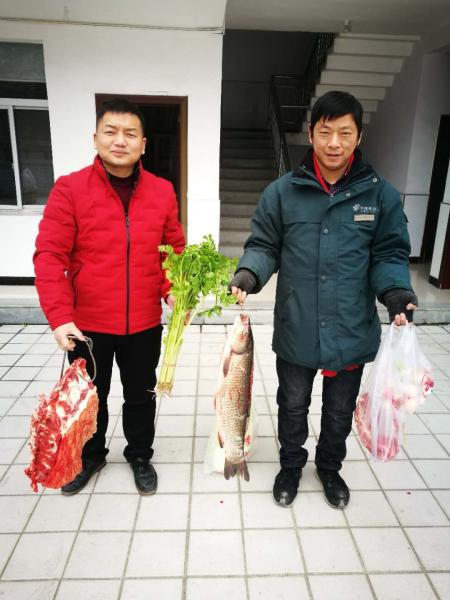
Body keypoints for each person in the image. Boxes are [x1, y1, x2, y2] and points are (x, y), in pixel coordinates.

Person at [230, 91, 417, 509]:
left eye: (345, 133)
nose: (334, 143)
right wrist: (249, 273)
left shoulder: (380, 196)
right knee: (292, 404)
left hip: (351, 327)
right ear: (311, 133)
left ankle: (329, 468)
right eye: (326, 132)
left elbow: (389, 253)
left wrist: (396, 292)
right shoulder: (282, 193)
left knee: (338, 410)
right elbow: (264, 245)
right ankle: (291, 466)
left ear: (358, 136)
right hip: (297, 325)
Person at [34, 98, 185, 496]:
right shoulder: (70, 189)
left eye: (130, 134)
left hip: (144, 323)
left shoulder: (162, 191)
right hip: (87, 326)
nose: (120, 141)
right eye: (111, 132)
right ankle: (90, 456)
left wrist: (174, 292)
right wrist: (59, 317)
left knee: (140, 396)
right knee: (90, 398)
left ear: (143, 144)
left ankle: (140, 455)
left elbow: (173, 251)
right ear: (96, 138)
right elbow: (49, 255)